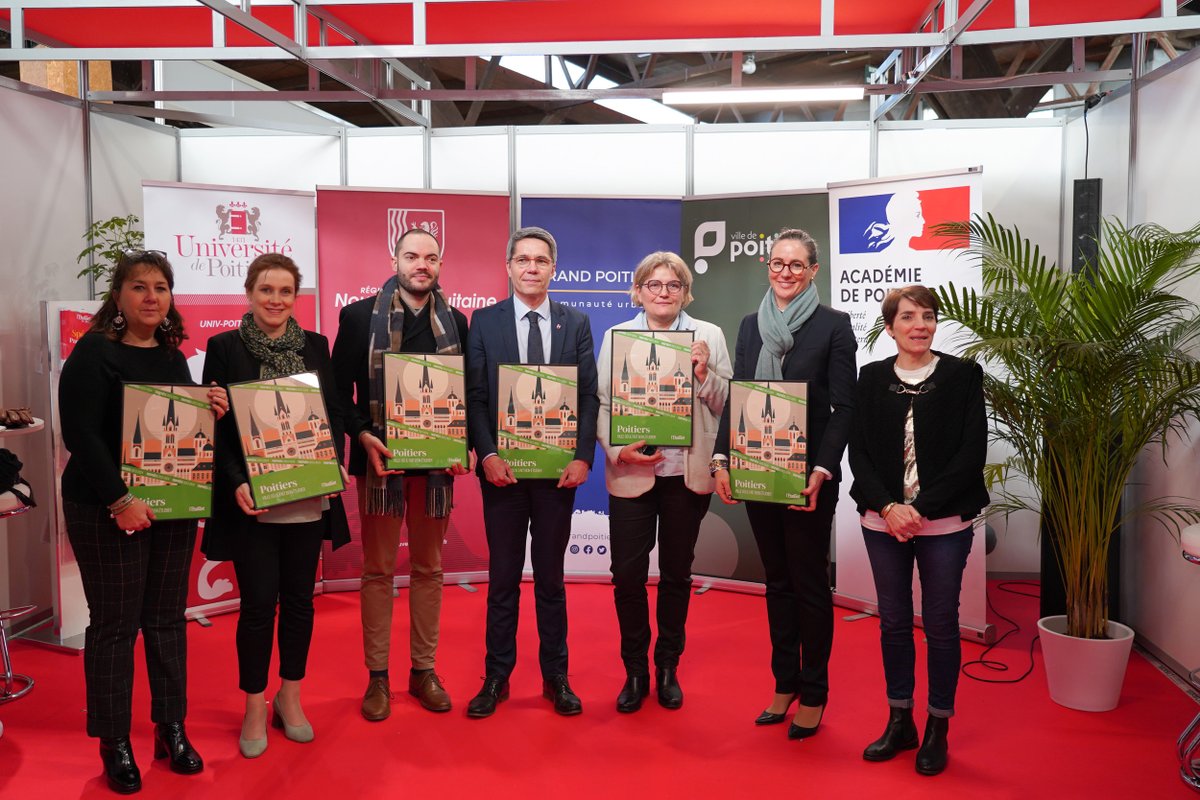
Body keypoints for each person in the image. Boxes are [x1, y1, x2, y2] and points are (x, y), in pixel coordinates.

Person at [59, 250, 229, 794]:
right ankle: (114, 741)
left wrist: (211, 407)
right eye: (139, 287)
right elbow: (80, 436)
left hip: (171, 504)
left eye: (160, 287)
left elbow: (175, 426)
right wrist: (119, 500)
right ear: (118, 296)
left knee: (164, 619)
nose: (151, 297)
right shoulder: (93, 354)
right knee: (114, 626)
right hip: (106, 508)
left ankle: (170, 727)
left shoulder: (171, 356)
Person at [202, 253, 350, 758]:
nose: (276, 300)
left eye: (286, 291)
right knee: (258, 605)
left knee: (301, 603)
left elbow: (330, 414)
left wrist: (332, 471)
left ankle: (290, 696)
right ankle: (253, 703)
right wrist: (235, 480)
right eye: (267, 290)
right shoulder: (222, 347)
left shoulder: (316, 346)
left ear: (296, 297)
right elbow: (214, 425)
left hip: (307, 498)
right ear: (249, 293)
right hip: (253, 504)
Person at [712, 228, 856, 740]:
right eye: (777, 264)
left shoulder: (834, 326)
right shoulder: (752, 324)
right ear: (767, 267)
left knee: (809, 583)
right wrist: (720, 459)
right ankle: (784, 682)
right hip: (755, 469)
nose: (785, 272)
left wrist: (821, 470)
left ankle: (814, 691)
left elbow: (844, 407)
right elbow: (738, 394)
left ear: (814, 270)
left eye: (796, 265)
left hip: (807, 479)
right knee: (776, 581)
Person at [331, 228, 470, 721]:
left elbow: (463, 398)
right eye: (412, 256)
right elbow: (337, 396)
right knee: (378, 570)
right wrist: (362, 434)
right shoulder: (357, 318)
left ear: (439, 265)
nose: (421, 265)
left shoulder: (456, 322)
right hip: (380, 465)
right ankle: (378, 677)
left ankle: (423, 670)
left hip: (435, 470)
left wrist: (462, 445)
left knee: (431, 569)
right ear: (395, 259)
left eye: (431, 258)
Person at [848, 285, 988, 776]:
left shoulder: (963, 376)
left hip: (944, 523)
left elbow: (970, 456)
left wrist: (918, 509)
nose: (919, 325)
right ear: (890, 327)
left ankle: (938, 726)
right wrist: (889, 506)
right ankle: (900, 718)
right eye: (907, 317)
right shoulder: (869, 378)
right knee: (892, 621)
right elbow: (858, 452)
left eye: (927, 316)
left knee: (942, 624)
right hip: (880, 520)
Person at [464, 226, 599, 718]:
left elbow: (588, 395)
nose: (531, 268)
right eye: (523, 259)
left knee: (550, 580)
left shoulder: (576, 322)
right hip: (502, 475)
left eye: (541, 261)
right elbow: (476, 396)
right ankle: (496, 677)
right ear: (509, 267)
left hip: (557, 477)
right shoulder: (485, 321)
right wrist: (486, 454)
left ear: (553, 269)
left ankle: (555, 677)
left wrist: (584, 455)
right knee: (502, 579)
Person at [596, 251, 731, 712]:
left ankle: (667, 665)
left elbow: (728, 404)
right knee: (627, 576)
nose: (663, 293)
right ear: (637, 292)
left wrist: (704, 373)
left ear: (686, 292)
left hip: (686, 476)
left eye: (673, 285)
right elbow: (601, 403)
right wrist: (617, 451)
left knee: (677, 574)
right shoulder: (617, 336)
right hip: (633, 471)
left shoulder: (708, 335)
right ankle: (634, 670)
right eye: (653, 285)